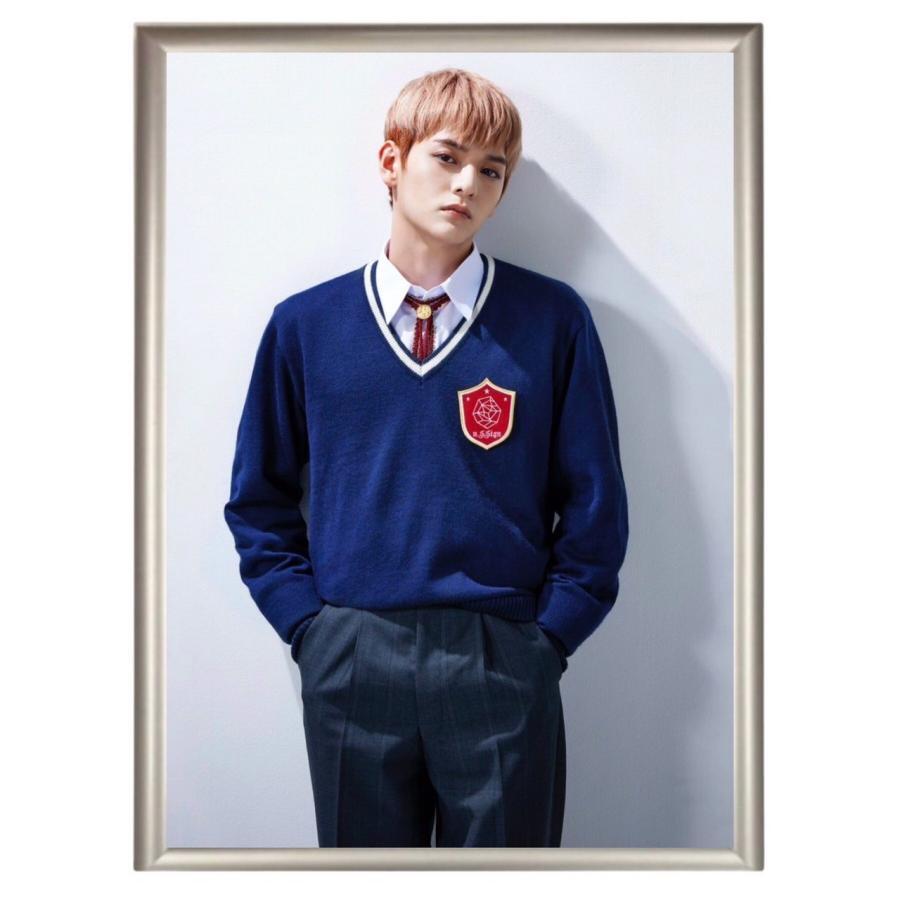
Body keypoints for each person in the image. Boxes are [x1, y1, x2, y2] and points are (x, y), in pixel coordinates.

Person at [223, 68, 629, 848]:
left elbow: (594, 504)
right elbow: (258, 499)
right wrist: (309, 628)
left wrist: (547, 640)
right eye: (447, 157)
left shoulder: (552, 321)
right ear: (391, 161)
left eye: (491, 170)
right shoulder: (306, 326)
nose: (467, 183)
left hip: (501, 652)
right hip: (351, 651)